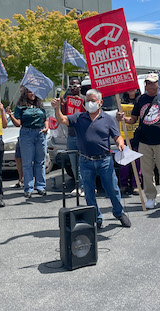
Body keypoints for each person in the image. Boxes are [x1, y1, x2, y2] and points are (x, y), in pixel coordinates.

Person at [52, 89, 131, 228]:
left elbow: (117, 136)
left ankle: (119, 213)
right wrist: (57, 108)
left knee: (112, 189)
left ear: (100, 102)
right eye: (87, 101)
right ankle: (96, 218)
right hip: (85, 160)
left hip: (104, 160)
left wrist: (121, 143)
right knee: (89, 192)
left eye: (92, 100)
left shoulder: (107, 119)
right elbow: (62, 119)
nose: (89, 103)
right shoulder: (79, 117)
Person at [117, 73, 160, 210]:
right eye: (148, 83)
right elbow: (133, 119)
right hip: (144, 141)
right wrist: (122, 119)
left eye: (153, 83)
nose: (150, 85)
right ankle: (150, 197)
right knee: (146, 171)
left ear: (158, 84)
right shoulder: (141, 99)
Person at [7, 87, 48, 198]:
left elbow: (45, 119)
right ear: (26, 94)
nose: (32, 94)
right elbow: (17, 123)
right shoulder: (20, 107)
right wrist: (10, 115)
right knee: (27, 163)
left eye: (34, 92)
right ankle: (28, 188)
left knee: (40, 162)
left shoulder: (40, 105)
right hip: (26, 134)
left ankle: (40, 186)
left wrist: (46, 128)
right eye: (30, 92)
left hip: (40, 133)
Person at [61, 79, 85, 196]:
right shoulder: (66, 101)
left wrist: (81, 103)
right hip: (71, 135)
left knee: (83, 162)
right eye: (71, 86)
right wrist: (61, 105)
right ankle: (78, 186)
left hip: (83, 135)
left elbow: (89, 113)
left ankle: (85, 186)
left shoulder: (85, 99)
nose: (73, 88)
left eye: (75, 85)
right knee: (74, 163)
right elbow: (62, 116)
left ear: (80, 87)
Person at [119, 89, 142, 195]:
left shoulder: (141, 100)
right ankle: (123, 184)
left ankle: (136, 184)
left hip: (137, 134)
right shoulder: (121, 101)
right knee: (124, 161)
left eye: (133, 88)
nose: (131, 90)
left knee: (137, 161)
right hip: (125, 135)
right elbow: (117, 117)